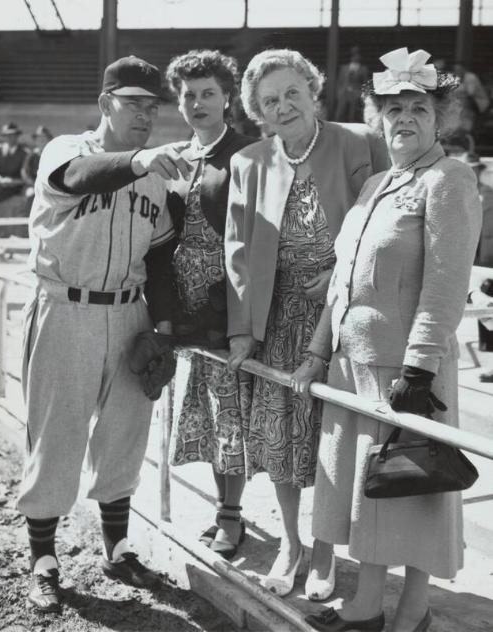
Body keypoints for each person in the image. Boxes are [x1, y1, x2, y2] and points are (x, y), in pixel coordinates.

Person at [292, 47, 482, 632]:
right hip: (353, 368)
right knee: (364, 496)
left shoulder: (449, 178)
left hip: (405, 371)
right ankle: (366, 606)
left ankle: (411, 613)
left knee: (413, 494)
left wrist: (420, 371)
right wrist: (319, 351)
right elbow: (342, 282)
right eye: (392, 108)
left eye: (418, 108)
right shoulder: (377, 183)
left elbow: (447, 283)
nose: (404, 118)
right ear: (377, 117)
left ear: (439, 117)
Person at [18, 55, 192, 614]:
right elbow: (79, 178)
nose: (145, 114)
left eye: (152, 106)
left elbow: (161, 262)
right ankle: (43, 559)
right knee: (57, 435)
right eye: (133, 103)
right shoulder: (67, 149)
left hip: (128, 313)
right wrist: (141, 161)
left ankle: (117, 546)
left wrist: (162, 329)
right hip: (65, 307)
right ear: (105, 105)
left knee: (124, 435)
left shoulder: (159, 179)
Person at [225, 48, 388, 599]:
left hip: (341, 321)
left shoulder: (359, 142)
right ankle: (291, 543)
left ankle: (324, 551)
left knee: (332, 443)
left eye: (292, 92)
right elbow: (238, 254)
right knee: (281, 444)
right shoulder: (248, 162)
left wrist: (343, 271)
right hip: (276, 323)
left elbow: (385, 221)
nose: (284, 106)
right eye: (270, 101)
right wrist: (241, 330)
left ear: (313, 90)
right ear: (257, 113)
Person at [164, 49, 255, 559]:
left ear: (227, 100)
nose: (198, 103)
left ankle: (231, 515)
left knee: (231, 414)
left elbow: (258, 240)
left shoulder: (247, 154)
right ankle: (222, 506)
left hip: (227, 300)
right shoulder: (176, 155)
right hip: (183, 304)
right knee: (203, 410)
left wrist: (234, 306)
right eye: (188, 95)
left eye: (208, 94)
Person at [0, 122, 28, 237]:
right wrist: (0, 179)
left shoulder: (24, 153)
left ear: (17, 136)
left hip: (15, 187)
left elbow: (25, 175)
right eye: (7, 135)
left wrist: (12, 181)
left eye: (13, 135)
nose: (10, 138)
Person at [334, 46, 369, 123]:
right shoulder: (344, 68)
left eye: (357, 54)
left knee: (352, 114)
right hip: (344, 92)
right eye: (354, 54)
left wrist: (362, 95)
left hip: (356, 93)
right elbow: (339, 81)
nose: (355, 56)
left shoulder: (363, 69)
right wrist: (339, 92)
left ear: (360, 56)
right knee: (340, 112)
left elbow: (365, 83)